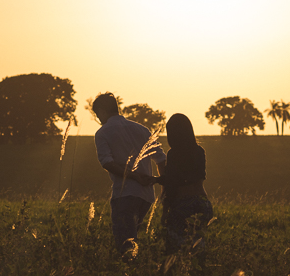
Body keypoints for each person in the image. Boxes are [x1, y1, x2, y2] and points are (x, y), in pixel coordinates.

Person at [92, 93, 166, 257]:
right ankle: (134, 272)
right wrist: (164, 186)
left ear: (102, 111)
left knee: (125, 245)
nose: (99, 119)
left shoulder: (102, 133)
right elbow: (161, 158)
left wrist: (133, 176)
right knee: (133, 238)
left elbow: (107, 163)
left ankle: (128, 274)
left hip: (124, 193)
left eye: (98, 115)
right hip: (146, 196)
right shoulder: (142, 129)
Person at [155, 113, 214, 255]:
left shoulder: (173, 154)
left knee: (176, 248)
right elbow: (198, 178)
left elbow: (171, 184)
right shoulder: (199, 151)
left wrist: (164, 212)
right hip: (202, 201)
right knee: (198, 245)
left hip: (183, 204)